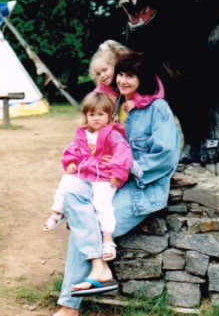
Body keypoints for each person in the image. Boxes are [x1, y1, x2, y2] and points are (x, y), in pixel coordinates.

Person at [52, 52, 180, 316]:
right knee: (75, 204)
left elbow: (166, 156)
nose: (122, 80)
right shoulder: (116, 104)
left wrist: (126, 164)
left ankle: (68, 307)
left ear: (142, 79)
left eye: (130, 76)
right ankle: (99, 271)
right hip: (110, 186)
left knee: (89, 228)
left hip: (142, 190)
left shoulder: (158, 109)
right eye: (120, 74)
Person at [43, 91, 133, 262]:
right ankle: (58, 212)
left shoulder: (112, 134)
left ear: (109, 115)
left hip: (105, 176)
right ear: (85, 115)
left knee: (102, 204)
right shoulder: (83, 133)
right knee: (66, 182)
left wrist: (118, 174)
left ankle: (107, 240)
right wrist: (70, 161)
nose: (96, 118)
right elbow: (73, 149)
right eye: (92, 114)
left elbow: (123, 153)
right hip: (85, 172)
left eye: (101, 114)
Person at [90, 39, 165, 111]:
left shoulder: (135, 74)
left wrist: (136, 101)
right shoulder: (102, 90)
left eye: (104, 70)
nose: (102, 76)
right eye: (98, 74)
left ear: (115, 64)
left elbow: (153, 90)